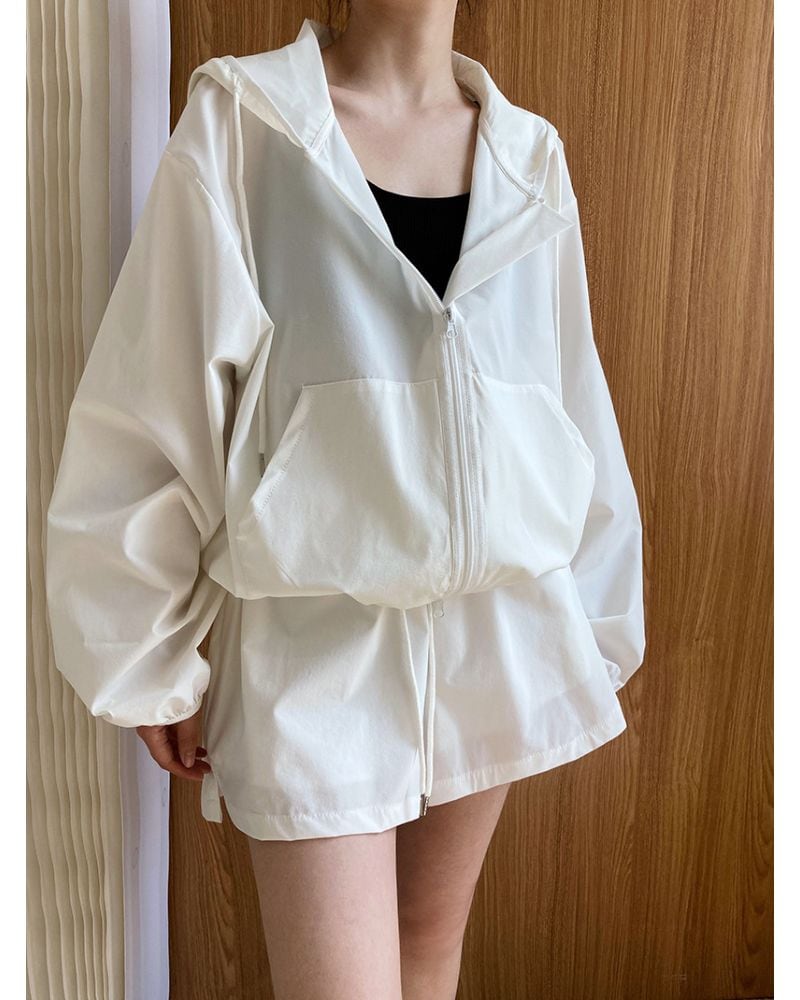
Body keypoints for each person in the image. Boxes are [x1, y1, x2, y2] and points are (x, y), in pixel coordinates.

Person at [45, 2, 646, 998]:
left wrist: (593, 612)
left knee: (428, 948)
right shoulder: (248, 122)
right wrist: (146, 646)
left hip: (494, 628)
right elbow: (157, 388)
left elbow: (564, 388)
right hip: (309, 643)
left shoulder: (527, 154)